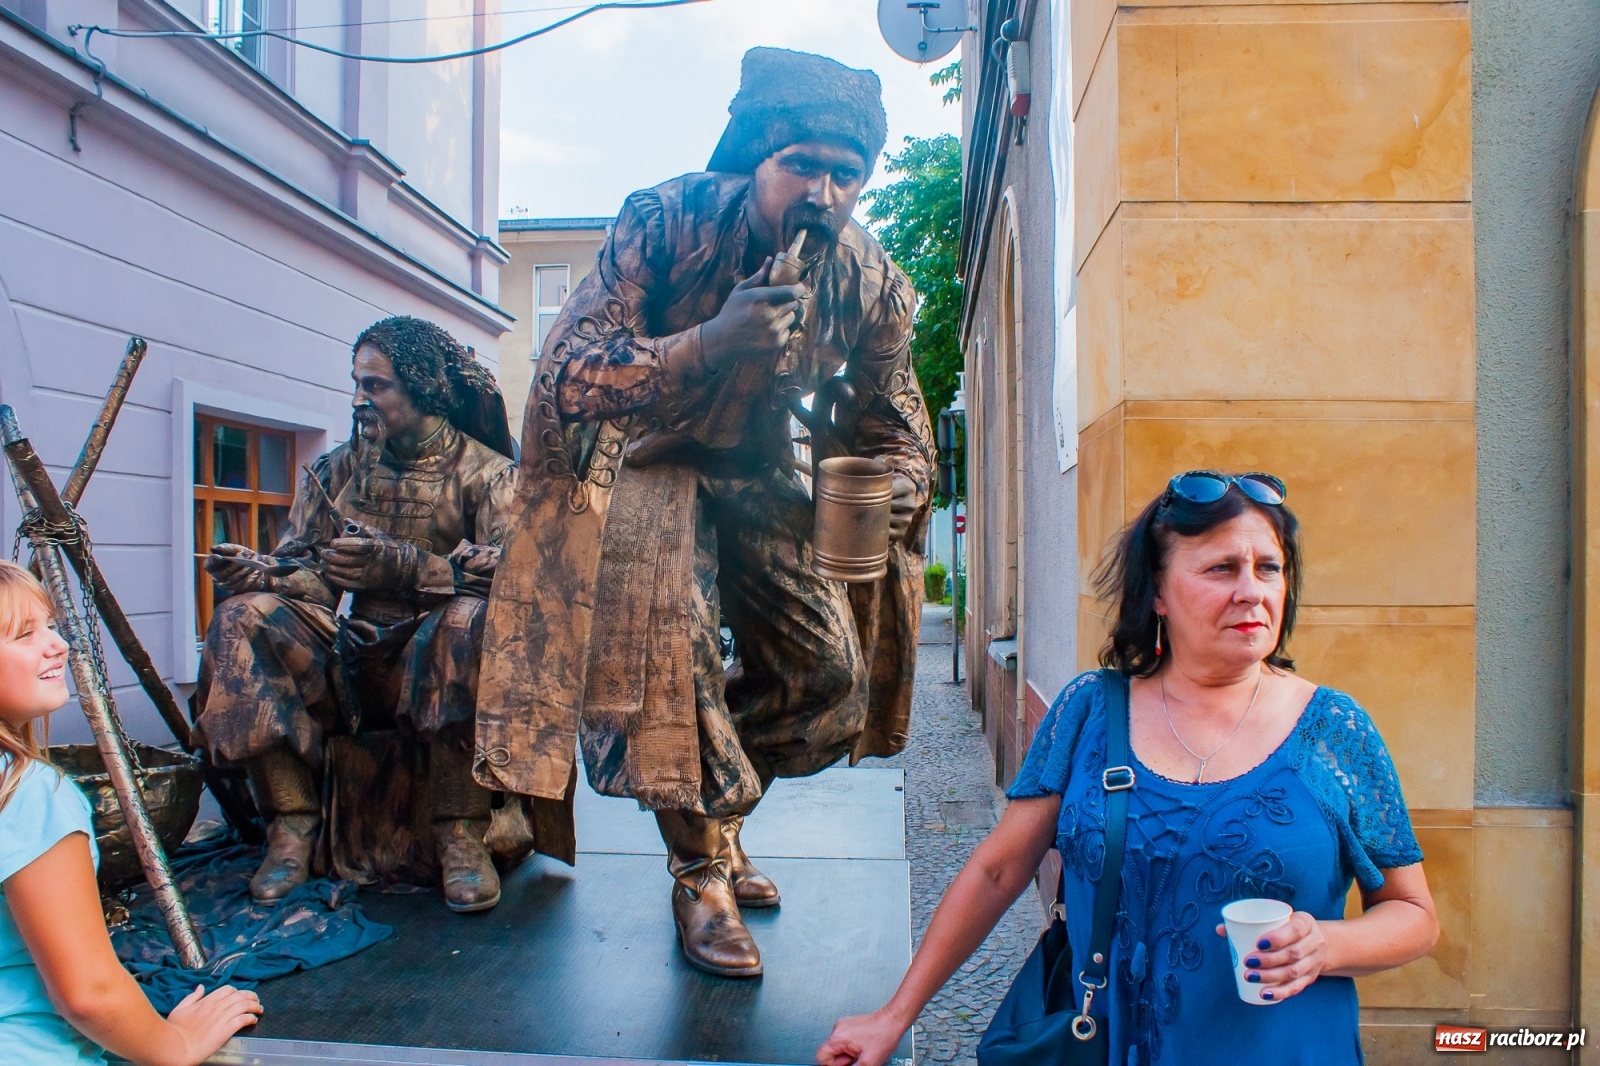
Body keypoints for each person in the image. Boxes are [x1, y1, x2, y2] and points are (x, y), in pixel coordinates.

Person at [476, 46, 936, 978]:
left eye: (846, 173)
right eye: (801, 163)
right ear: (754, 160)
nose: (824, 190)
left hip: (764, 474)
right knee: (668, 656)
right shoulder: (665, 218)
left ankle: (715, 823)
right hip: (644, 463)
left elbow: (901, 419)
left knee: (828, 681)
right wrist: (705, 343)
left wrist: (901, 484)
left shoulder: (868, 277)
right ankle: (698, 875)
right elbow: (566, 373)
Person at [818, 471, 1440, 1064]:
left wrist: (1327, 944)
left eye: (1268, 568)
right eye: (1222, 568)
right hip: (1105, 1047)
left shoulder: (1335, 731)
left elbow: (1414, 915)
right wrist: (895, 1015)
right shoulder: (1091, 710)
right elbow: (998, 870)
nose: (1251, 590)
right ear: (1160, 594)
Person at [193, 316, 522, 913]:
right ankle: (291, 825)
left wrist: (402, 566)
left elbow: (514, 578)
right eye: (357, 384)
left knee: (467, 622)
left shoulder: (488, 473)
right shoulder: (337, 469)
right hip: (348, 658)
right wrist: (267, 575)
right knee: (242, 618)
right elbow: (313, 582)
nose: (358, 399)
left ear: (422, 388)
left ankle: (459, 831)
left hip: (429, 653)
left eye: (375, 386)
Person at [0, 560, 262, 1064]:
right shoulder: (31, 793)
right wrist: (175, 1044)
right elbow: (89, 993)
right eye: (24, 634)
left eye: (51, 626)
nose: (57, 645)